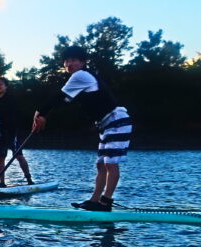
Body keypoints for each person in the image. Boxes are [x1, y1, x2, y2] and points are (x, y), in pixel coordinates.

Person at [33, 46, 132, 211]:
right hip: (106, 125)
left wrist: (40, 112)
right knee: (101, 165)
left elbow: (57, 96)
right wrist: (43, 114)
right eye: (66, 61)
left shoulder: (81, 75)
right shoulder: (79, 80)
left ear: (82, 62)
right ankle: (95, 200)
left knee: (111, 164)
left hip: (117, 121)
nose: (69, 64)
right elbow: (62, 100)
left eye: (73, 60)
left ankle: (105, 202)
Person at [0, 76, 34, 187]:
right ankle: (2, 183)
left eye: (1, 84)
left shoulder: (11, 98)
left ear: (6, 86)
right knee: (1, 158)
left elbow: (6, 112)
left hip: (11, 131)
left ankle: (29, 179)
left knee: (18, 156)